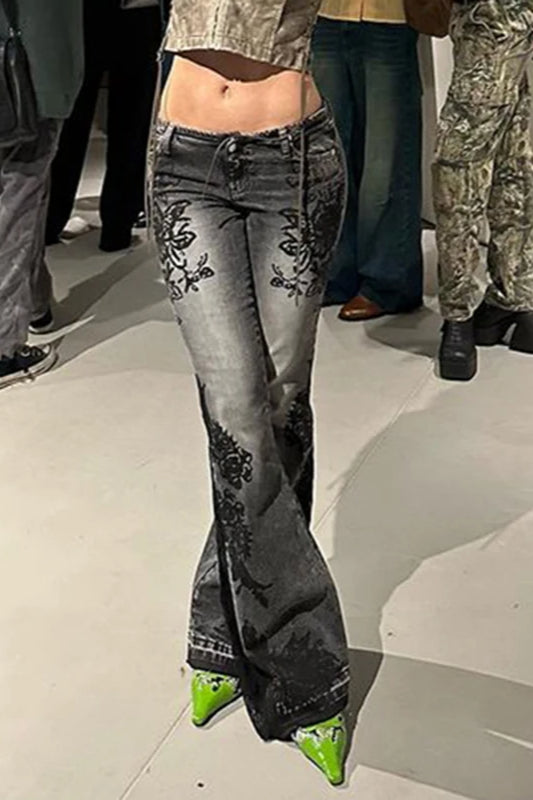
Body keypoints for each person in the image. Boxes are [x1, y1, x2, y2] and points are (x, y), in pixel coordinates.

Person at [152, 0, 351, 786]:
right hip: (183, 159)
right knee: (235, 408)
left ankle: (218, 628)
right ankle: (307, 668)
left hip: (292, 161)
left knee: (278, 408)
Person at [435, 0, 533, 381]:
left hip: (490, 19)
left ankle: (458, 315)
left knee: (459, 164)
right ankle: (515, 296)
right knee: (513, 155)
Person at [311, 0, 424, 321]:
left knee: (386, 159)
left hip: (389, 17)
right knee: (329, 153)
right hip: (323, 14)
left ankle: (388, 282)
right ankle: (336, 272)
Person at [0, 0, 83, 389]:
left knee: (26, 198)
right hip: (27, 75)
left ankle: (35, 304)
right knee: (18, 202)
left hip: (27, 69)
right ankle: (4, 350)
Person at [44, 0, 162, 254]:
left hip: (82, 15)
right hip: (135, 15)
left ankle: (50, 221)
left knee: (70, 120)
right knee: (131, 122)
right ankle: (117, 228)